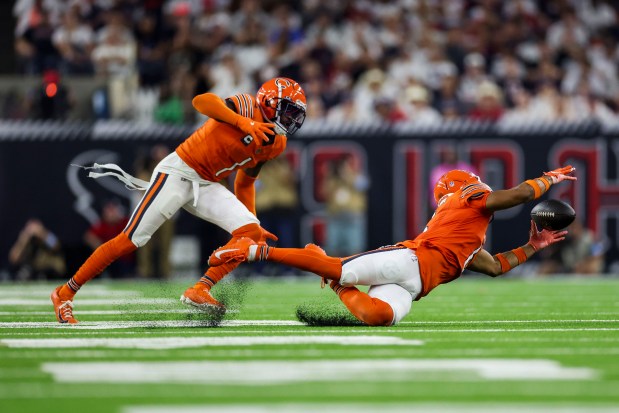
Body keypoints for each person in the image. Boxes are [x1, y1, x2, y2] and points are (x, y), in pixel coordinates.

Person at [51, 77, 307, 324]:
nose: (291, 119)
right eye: (288, 111)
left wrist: (250, 221)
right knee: (129, 240)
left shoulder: (277, 143)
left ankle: (200, 289)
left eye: (295, 114)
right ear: (269, 103)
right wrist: (243, 123)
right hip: (179, 171)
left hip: (207, 184)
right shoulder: (247, 106)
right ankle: (64, 293)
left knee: (251, 235)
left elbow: (245, 181)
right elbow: (201, 102)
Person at [209, 166, 577, 326]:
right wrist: (549, 179)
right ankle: (254, 251)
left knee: (376, 317)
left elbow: (495, 267)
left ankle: (336, 282)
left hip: (412, 285)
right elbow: (514, 196)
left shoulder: (467, 233)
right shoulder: (467, 199)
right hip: (408, 260)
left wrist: (534, 245)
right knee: (337, 265)